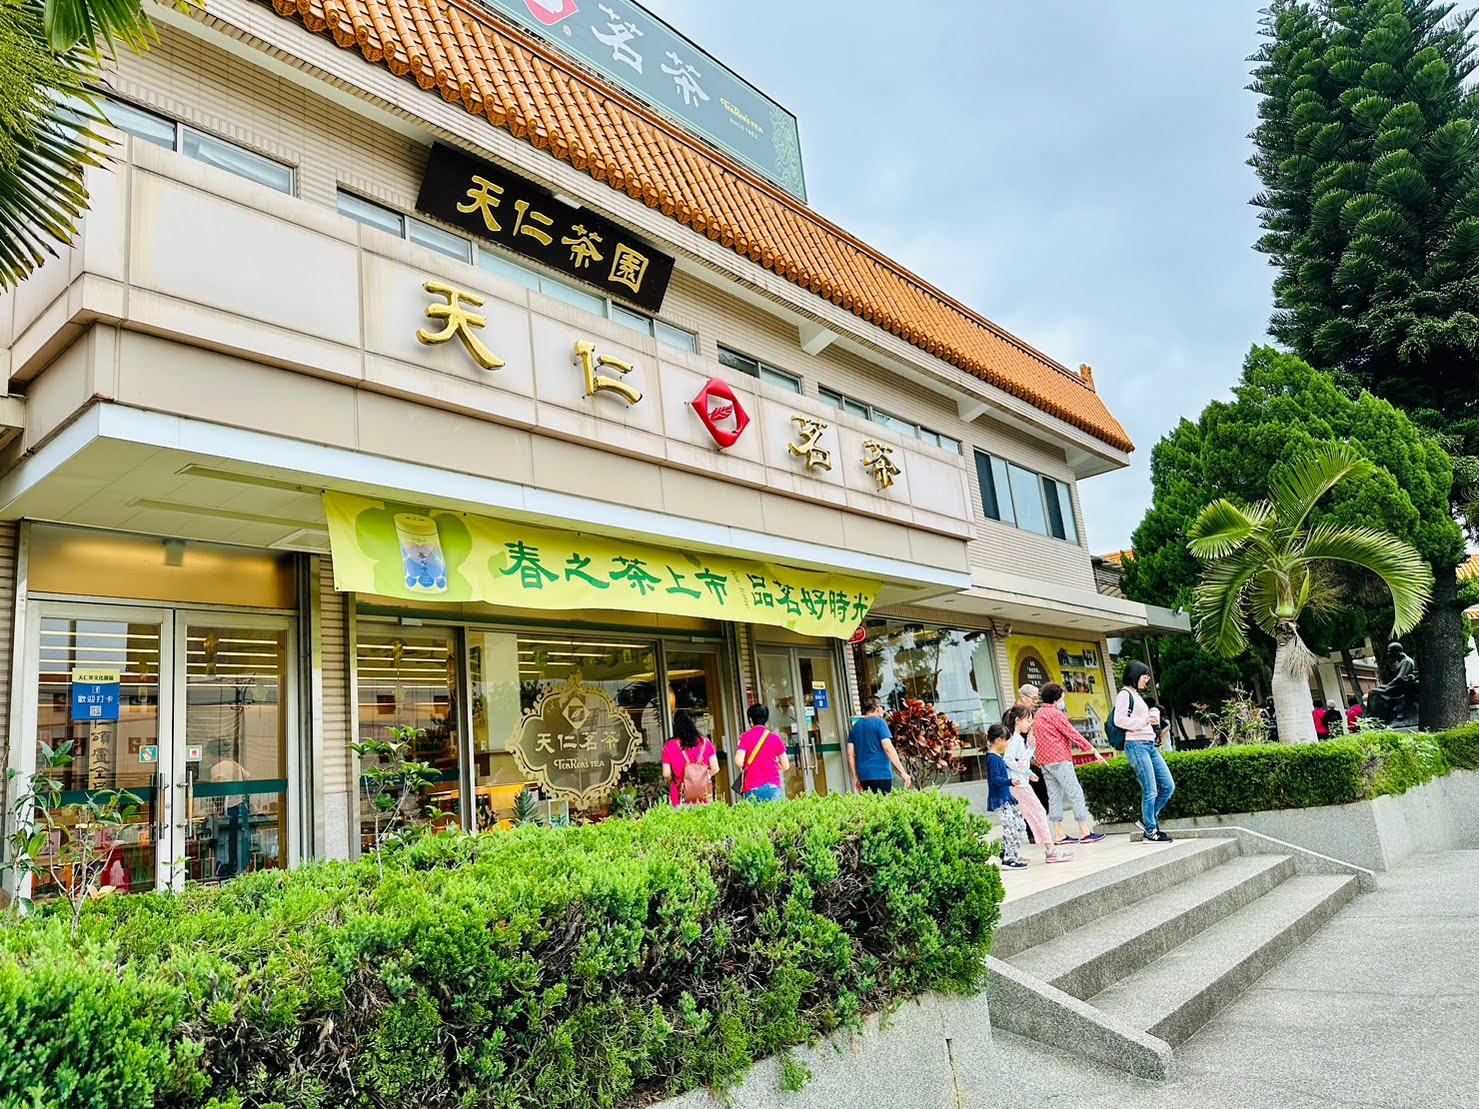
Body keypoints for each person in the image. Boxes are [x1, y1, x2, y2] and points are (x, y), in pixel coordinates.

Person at [1032, 682, 1108, 843]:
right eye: (1062, 698)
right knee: (1076, 793)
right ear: (1056, 699)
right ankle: (1084, 831)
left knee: (1054, 797)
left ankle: (1059, 834)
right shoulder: (1056, 714)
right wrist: (1092, 750)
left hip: (1045, 762)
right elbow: (1072, 733)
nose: (1063, 701)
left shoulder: (1038, 714)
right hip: (1059, 759)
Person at [1114, 661, 1175, 844]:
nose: (1147, 680)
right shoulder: (1124, 695)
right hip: (1136, 745)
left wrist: (1150, 721)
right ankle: (1151, 831)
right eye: (1145, 676)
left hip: (1149, 745)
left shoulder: (1136, 695)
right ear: (1135, 674)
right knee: (1150, 789)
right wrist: (1144, 721)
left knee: (1168, 785)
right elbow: (1119, 720)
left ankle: (1147, 820)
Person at [1003, 705, 1073, 864]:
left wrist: (1028, 769)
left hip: (1020, 783)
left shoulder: (1017, 739)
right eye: (1028, 721)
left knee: (1019, 818)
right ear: (1017, 720)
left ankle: (1010, 854)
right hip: (1019, 785)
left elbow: (1020, 761)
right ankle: (1050, 851)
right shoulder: (1015, 740)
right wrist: (1022, 768)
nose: (1030, 725)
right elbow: (1009, 760)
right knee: (1038, 813)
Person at [985, 724, 1029, 869]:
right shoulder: (992, 758)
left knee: (1019, 825)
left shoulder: (997, 757)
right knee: (1011, 827)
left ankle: (1007, 852)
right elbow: (995, 779)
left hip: (1006, 797)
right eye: (1006, 740)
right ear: (998, 740)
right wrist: (1010, 781)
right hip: (1000, 799)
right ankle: (1008, 858)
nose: (1008, 743)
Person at [847, 696, 912, 793]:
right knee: (882, 805)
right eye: (882, 707)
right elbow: (888, 748)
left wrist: (856, 778)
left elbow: (850, 754)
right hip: (881, 774)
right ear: (877, 708)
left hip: (863, 775)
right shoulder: (880, 723)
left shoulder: (855, 728)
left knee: (869, 806)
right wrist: (903, 772)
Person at [661, 710, 718, 806]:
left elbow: (666, 774)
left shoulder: (669, 746)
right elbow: (715, 768)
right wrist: (702, 777)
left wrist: (676, 781)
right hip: (703, 795)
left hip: (679, 796)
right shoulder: (705, 742)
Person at [734, 703, 790, 802]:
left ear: (750, 720)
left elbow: (738, 761)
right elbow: (786, 765)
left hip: (752, 787)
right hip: (773, 787)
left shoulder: (745, 737)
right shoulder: (775, 738)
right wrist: (771, 765)